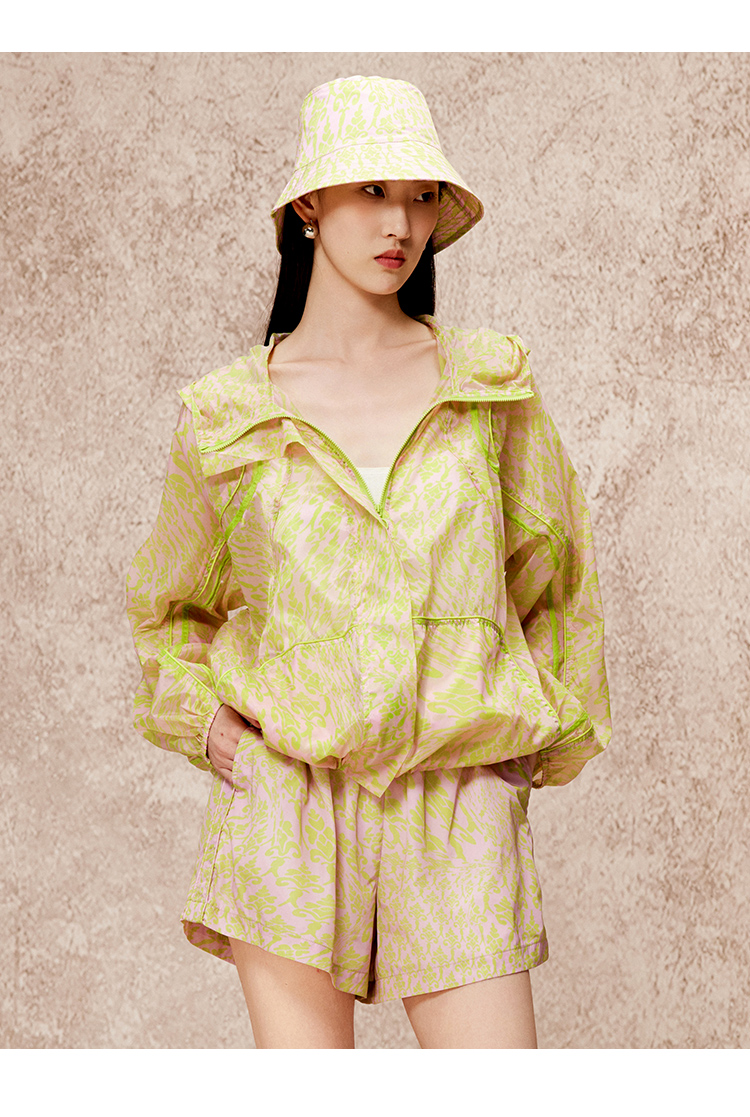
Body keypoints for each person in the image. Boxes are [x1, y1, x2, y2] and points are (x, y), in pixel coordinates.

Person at [126, 75, 611, 1049]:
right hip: (291, 805)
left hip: (456, 795)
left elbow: (557, 578)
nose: (402, 223)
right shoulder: (226, 416)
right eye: (374, 190)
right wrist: (214, 730)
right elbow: (169, 609)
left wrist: (523, 745)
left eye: (423, 196)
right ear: (311, 202)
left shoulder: (488, 386)